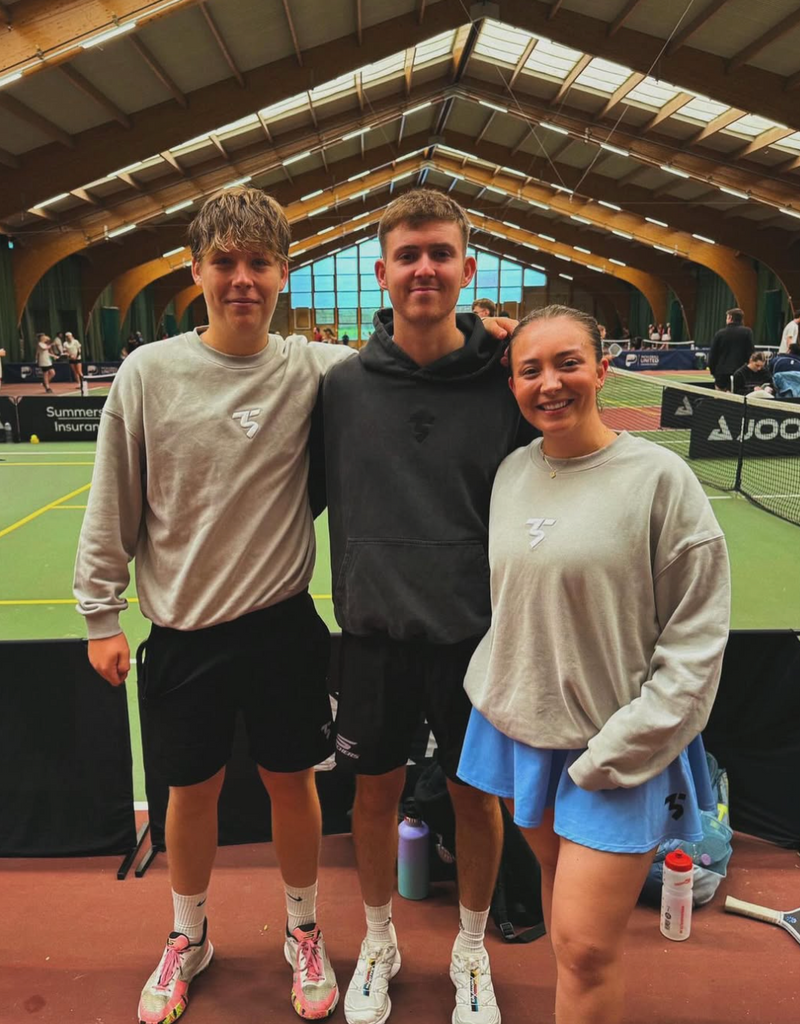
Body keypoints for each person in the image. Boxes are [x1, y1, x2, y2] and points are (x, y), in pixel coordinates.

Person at [73, 187, 355, 1024]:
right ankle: (187, 937)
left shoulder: (318, 369)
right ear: (196, 270)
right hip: (183, 636)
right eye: (224, 262)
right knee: (186, 795)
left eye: (259, 263)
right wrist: (100, 614)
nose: (242, 280)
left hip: (283, 630)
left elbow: (414, 371)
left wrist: (490, 345)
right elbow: (112, 500)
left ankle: (303, 930)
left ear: (284, 273)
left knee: (290, 782)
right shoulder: (148, 374)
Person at [458, 304, 730, 1024]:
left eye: (568, 362)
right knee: (560, 914)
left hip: (620, 751)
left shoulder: (660, 480)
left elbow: (697, 640)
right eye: (530, 369)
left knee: (583, 949)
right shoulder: (511, 472)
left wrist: (622, 747)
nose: (550, 383)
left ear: (603, 369)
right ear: (511, 384)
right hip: (525, 734)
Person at [323, 189, 530, 1024]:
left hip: (477, 640)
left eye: (441, 253)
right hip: (372, 637)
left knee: (476, 801)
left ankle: (471, 951)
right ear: (381, 272)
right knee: (371, 797)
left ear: (468, 267)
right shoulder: (339, 387)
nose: (425, 269)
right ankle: (378, 939)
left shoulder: (506, 382)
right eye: (408, 255)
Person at [708, 307, 754, 392]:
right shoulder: (747, 332)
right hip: (740, 373)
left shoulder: (719, 334)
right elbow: (750, 354)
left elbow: (712, 356)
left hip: (721, 374)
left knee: (719, 399)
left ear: (730, 318)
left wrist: (714, 372)